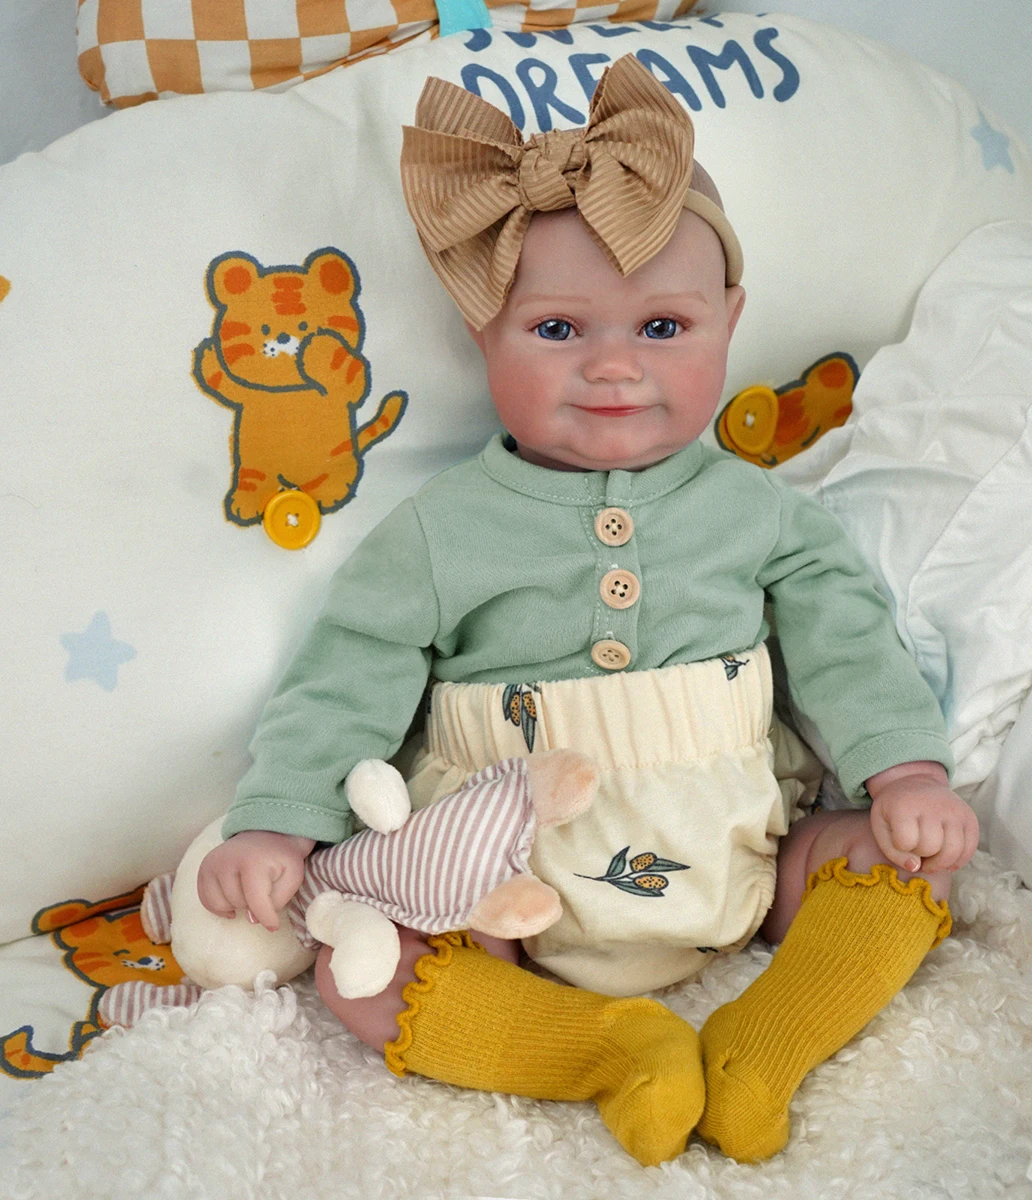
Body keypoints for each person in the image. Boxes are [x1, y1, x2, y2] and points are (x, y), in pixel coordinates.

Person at [195, 55, 979, 1167]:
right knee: (361, 972)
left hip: (737, 847)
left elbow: (846, 637)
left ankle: (769, 1046)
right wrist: (280, 819)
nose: (614, 368)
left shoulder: (758, 511)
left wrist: (904, 775)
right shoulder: (441, 529)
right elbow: (349, 669)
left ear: (729, 321)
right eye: (559, 330)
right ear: (485, 334)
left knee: (907, 862)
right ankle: (604, 1051)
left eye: (662, 328)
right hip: (504, 874)